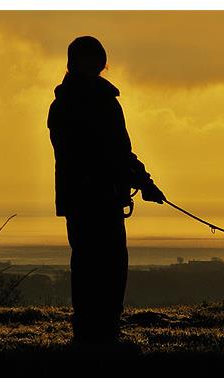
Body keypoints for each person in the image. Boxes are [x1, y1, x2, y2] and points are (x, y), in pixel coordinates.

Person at [47, 36, 165, 344]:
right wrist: (144, 182)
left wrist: (141, 181)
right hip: (101, 196)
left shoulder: (62, 104)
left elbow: (109, 153)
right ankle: (104, 328)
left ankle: (89, 329)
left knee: (87, 262)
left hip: (80, 197)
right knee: (109, 264)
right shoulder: (100, 103)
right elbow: (116, 152)